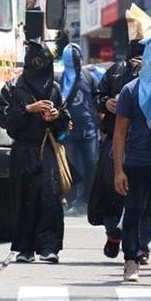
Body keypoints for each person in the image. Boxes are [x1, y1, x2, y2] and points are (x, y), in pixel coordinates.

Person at [0, 40, 71, 264]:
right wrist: (28, 109)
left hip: (47, 149)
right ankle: (25, 248)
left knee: (50, 199)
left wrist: (56, 117)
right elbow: (4, 119)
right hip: (23, 150)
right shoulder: (12, 88)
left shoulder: (55, 89)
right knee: (24, 199)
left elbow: (66, 121)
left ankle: (49, 247)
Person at [88, 39, 151, 260]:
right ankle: (113, 233)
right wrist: (106, 103)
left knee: (145, 198)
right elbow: (97, 97)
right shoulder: (116, 72)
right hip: (115, 141)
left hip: (146, 143)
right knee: (112, 192)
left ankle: (142, 246)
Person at [114, 31, 151, 282]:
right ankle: (131, 259)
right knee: (134, 212)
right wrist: (118, 170)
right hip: (136, 161)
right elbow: (120, 133)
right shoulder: (130, 90)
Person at [60, 43, 99, 212]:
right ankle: (72, 200)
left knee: (91, 167)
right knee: (71, 168)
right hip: (68, 132)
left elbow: (99, 101)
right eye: (70, 60)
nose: (73, 62)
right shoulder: (59, 79)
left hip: (89, 132)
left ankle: (86, 201)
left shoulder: (89, 77)